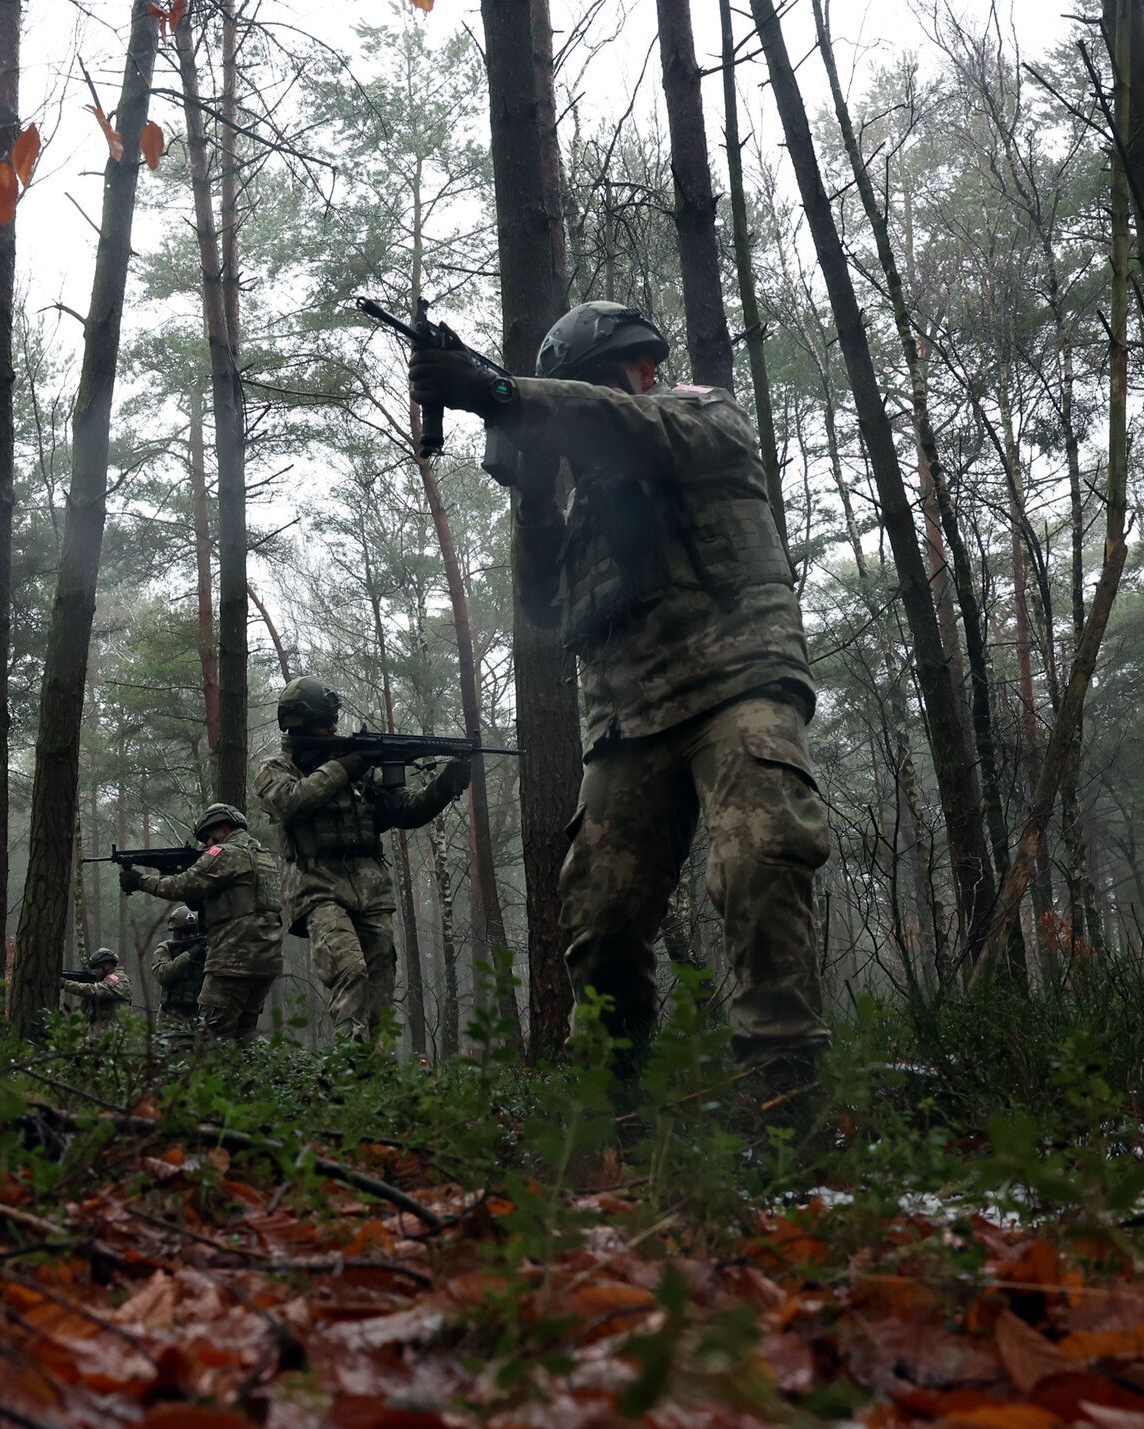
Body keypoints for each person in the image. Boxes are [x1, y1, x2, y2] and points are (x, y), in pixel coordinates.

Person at [410, 301, 832, 1088]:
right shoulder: (586, 507)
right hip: (630, 718)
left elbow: (628, 428)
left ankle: (783, 1089)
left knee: (760, 857)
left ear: (637, 370)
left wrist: (506, 396)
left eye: (590, 393)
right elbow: (540, 604)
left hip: (737, 681)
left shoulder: (703, 416)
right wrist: (534, 494)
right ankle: (614, 1109)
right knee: (597, 911)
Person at [255, 678, 469, 1043]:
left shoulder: (359, 769)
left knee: (381, 978)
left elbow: (404, 811)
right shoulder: (277, 767)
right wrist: (344, 768)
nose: (334, 728)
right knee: (349, 969)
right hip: (316, 887)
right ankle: (349, 1073)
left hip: (371, 890)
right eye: (325, 722)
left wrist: (444, 787)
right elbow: (288, 802)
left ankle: (375, 1077)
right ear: (299, 723)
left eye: (334, 720)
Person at [121, 803, 284, 1045]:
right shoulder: (264, 858)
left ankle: (217, 1083)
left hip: (232, 959)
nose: (207, 844)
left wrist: (140, 881)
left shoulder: (225, 853)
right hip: (267, 959)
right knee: (244, 1034)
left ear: (224, 828)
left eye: (208, 837)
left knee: (210, 1039)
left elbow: (183, 885)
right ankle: (249, 1081)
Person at [149, 906, 208, 1026]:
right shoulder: (165, 949)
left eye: (193, 931)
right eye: (186, 932)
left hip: (200, 1016)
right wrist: (189, 954)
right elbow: (163, 974)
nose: (191, 936)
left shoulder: (205, 947)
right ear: (176, 932)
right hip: (171, 1018)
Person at [59, 947, 131, 1027]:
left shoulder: (118, 978)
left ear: (107, 965)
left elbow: (95, 990)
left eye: (97, 967)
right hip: (103, 1029)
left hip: (114, 1031)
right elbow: (86, 1010)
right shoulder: (106, 979)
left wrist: (66, 984)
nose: (95, 971)